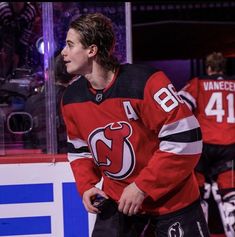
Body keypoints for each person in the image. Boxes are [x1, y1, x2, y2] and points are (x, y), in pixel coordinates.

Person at [61, 13, 210, 237]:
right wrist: (87, 185)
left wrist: (142, 186)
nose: (63, 52)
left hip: (171, 203)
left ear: (92, 50)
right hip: (117, 202)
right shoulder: (72, 97)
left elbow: (187, 140)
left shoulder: (146, 82)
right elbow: (79, 149)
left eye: (70, 45)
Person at [178, 52, 235, 237]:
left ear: (208, 68)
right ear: (223, 68)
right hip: (230, 147)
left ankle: (198, 231)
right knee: (231, 195)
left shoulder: (198, 83)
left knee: (198, 193)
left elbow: (179, 106)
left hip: (203, 147)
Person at [0, 2, 37, 78]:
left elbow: (26, 36)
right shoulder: (3, 9)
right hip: (4, 41)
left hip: (19, 43)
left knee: (18, 68)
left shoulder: (30, 12)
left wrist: (18, 53)